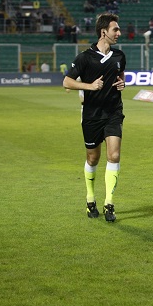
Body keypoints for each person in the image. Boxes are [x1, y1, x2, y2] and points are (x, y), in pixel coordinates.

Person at [63, 13, 126, 222]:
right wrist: (89, 86)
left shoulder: (119, 56)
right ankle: (90, 198)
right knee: (93, 158)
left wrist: (121, 84)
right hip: (91, 115)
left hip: (113, 113)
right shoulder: (85, 57)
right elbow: (67, 82)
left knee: (114, 156)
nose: (119, 33)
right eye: (115, 29)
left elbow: (120, 76)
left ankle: (109, 203)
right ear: (103, 32)